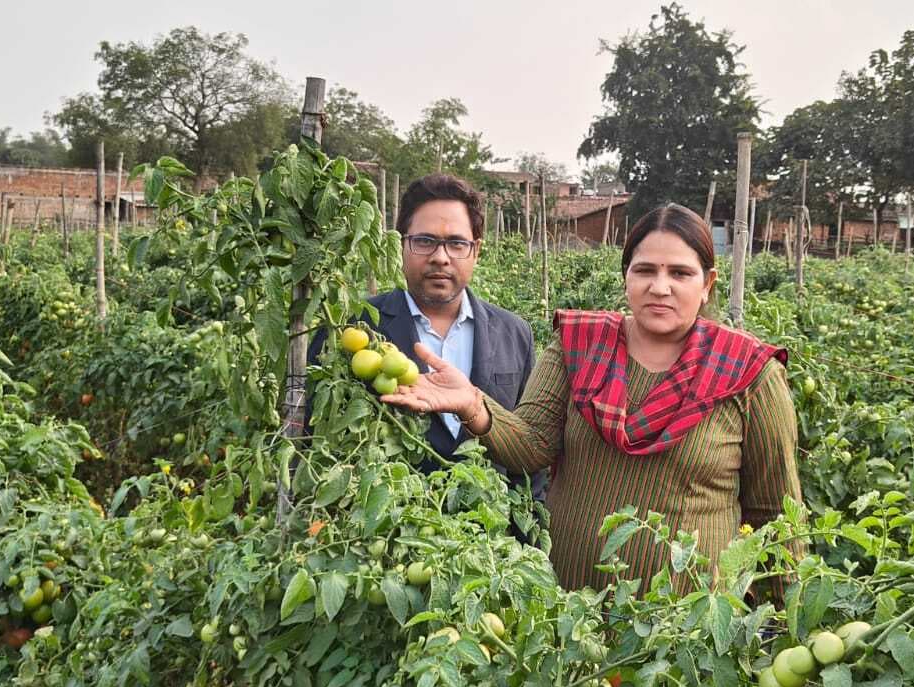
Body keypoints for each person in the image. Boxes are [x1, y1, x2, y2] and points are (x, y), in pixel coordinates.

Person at [382, 203, 803, 591]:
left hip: (685, 635)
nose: (660, 287)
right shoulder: (581, 345)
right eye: (644, 271)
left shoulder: (748, 373)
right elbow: (532, 446)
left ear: (708, 284)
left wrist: (779, 629)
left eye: (680, 273)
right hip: (569, 616)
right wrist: (474, 404)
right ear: (626, 278)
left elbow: (776, 516)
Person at [309, 173, 544, 499]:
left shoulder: (514, 333)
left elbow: (530, 451)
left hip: (491, 541)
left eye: (457, 243)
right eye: (424, 241)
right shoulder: (352, 330)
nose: (440, 257)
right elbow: (317, 437)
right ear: (401, 243)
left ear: (476, 251)